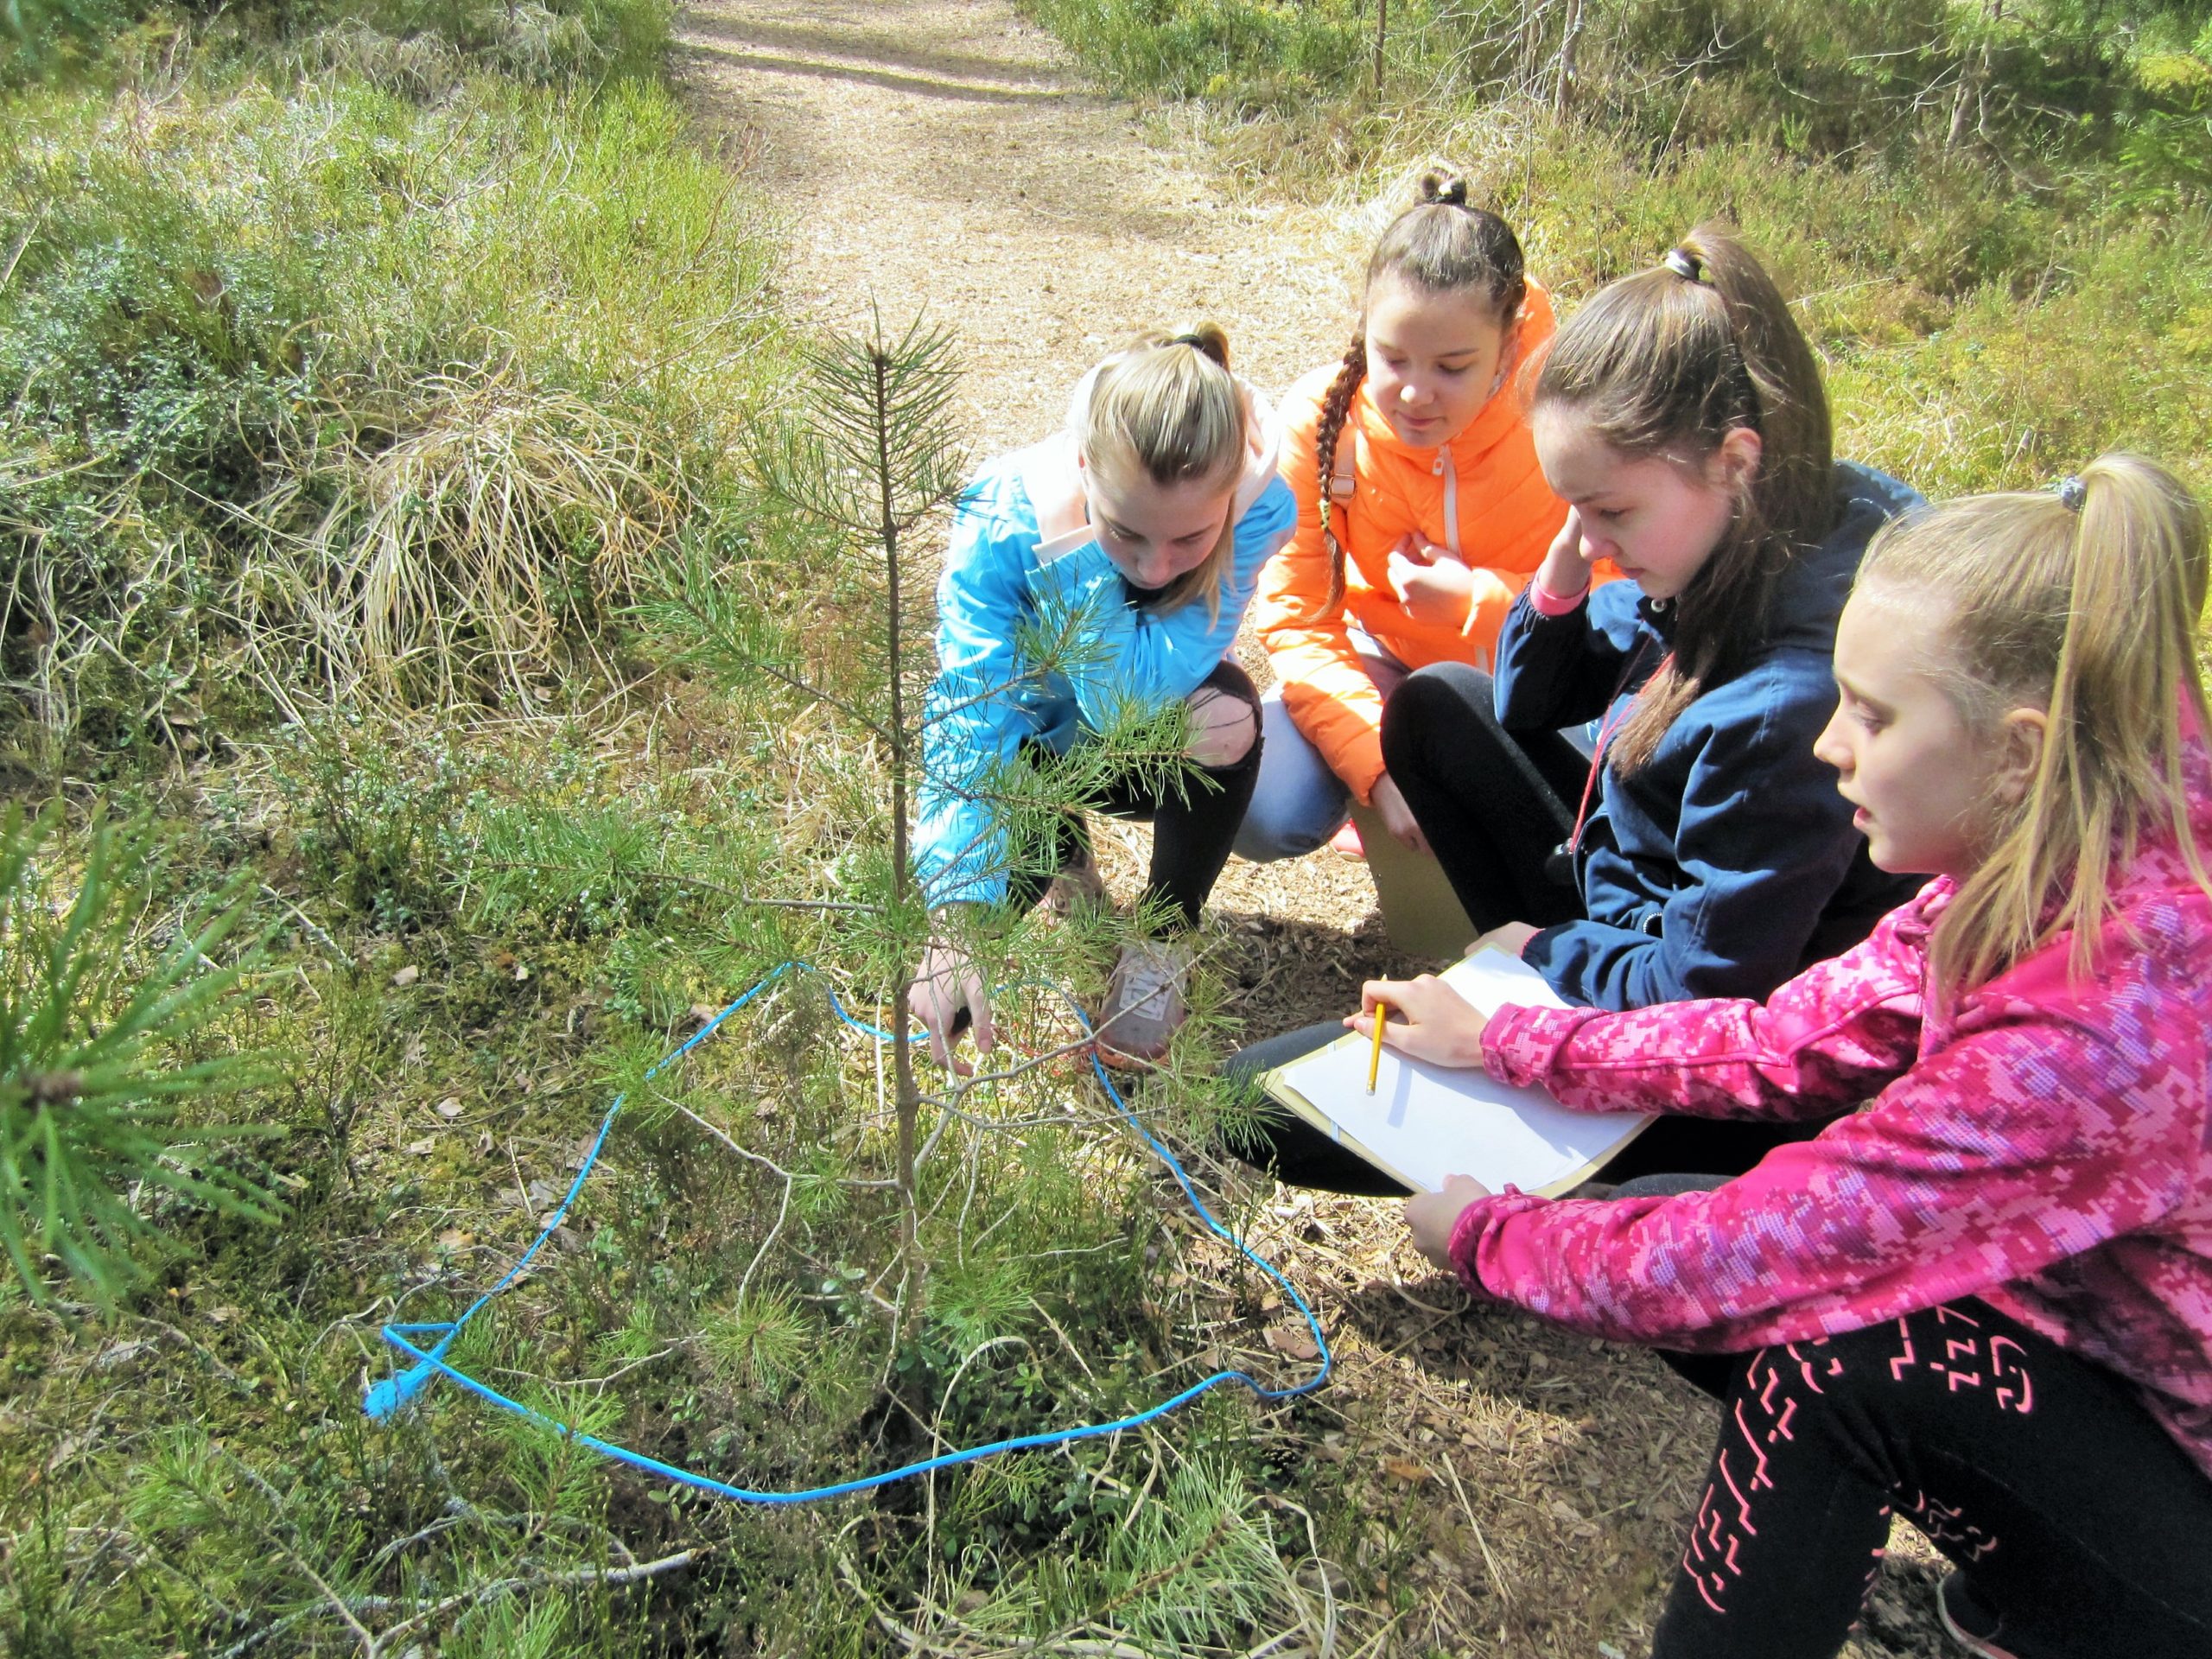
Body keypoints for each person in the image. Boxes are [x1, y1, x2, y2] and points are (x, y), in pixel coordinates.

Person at [1380, 454, 2212, 1659]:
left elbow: (1767, 1257)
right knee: (1683, 1225)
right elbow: (1796, 1039)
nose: (1830, 743)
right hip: (2120, 1341)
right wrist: (1512, 1036)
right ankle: (2039, 1571)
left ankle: (2087, 1594)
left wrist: (1490, 1242)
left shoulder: (2101, 1018)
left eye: (1873, 713)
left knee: (1825, 1350)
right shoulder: (2081, 817)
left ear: (2020, 749)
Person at [1230, 228, 1923, 1187]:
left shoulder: (1788, 708)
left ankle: (1583, 1163)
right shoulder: (1752, 521)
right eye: (1572, 508)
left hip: (1706, 1049)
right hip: (1641, 917)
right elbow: (1527, 700)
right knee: (1434, 706)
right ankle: (1520, 1015)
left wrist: (1543, 964)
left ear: (1734, 460)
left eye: (1609, 515)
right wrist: (1557, 580)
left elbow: (1709, 992)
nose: (1593, 539)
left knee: (1255, 1106)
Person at [912, 326, 1295, 1070]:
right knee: (981, 915)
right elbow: (971, 715)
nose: (1157, 566)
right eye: (1124, 531)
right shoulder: (1001, 521)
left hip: (1128, 738)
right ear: (1084, 465)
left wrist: (1080, 555)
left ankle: (1161, 936)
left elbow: (1136, 692)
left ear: (1229, 499)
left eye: (1190, 539)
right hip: (1029, 755)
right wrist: (959, 916)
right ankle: (1063, 861)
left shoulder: (1253, 513)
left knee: (1224, 715)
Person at [1233, 168, 1573, 862]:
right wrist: (1378, 764)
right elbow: (1300, 620)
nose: (1416, 393)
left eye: (1452, 366)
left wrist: (1486, 604)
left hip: (1556, 685)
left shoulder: (1572, 412)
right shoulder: (1322, 422)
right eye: (1392, 359)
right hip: (1393, 665)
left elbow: (1634, 605)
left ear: (1507, 350)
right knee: (1258, 800)